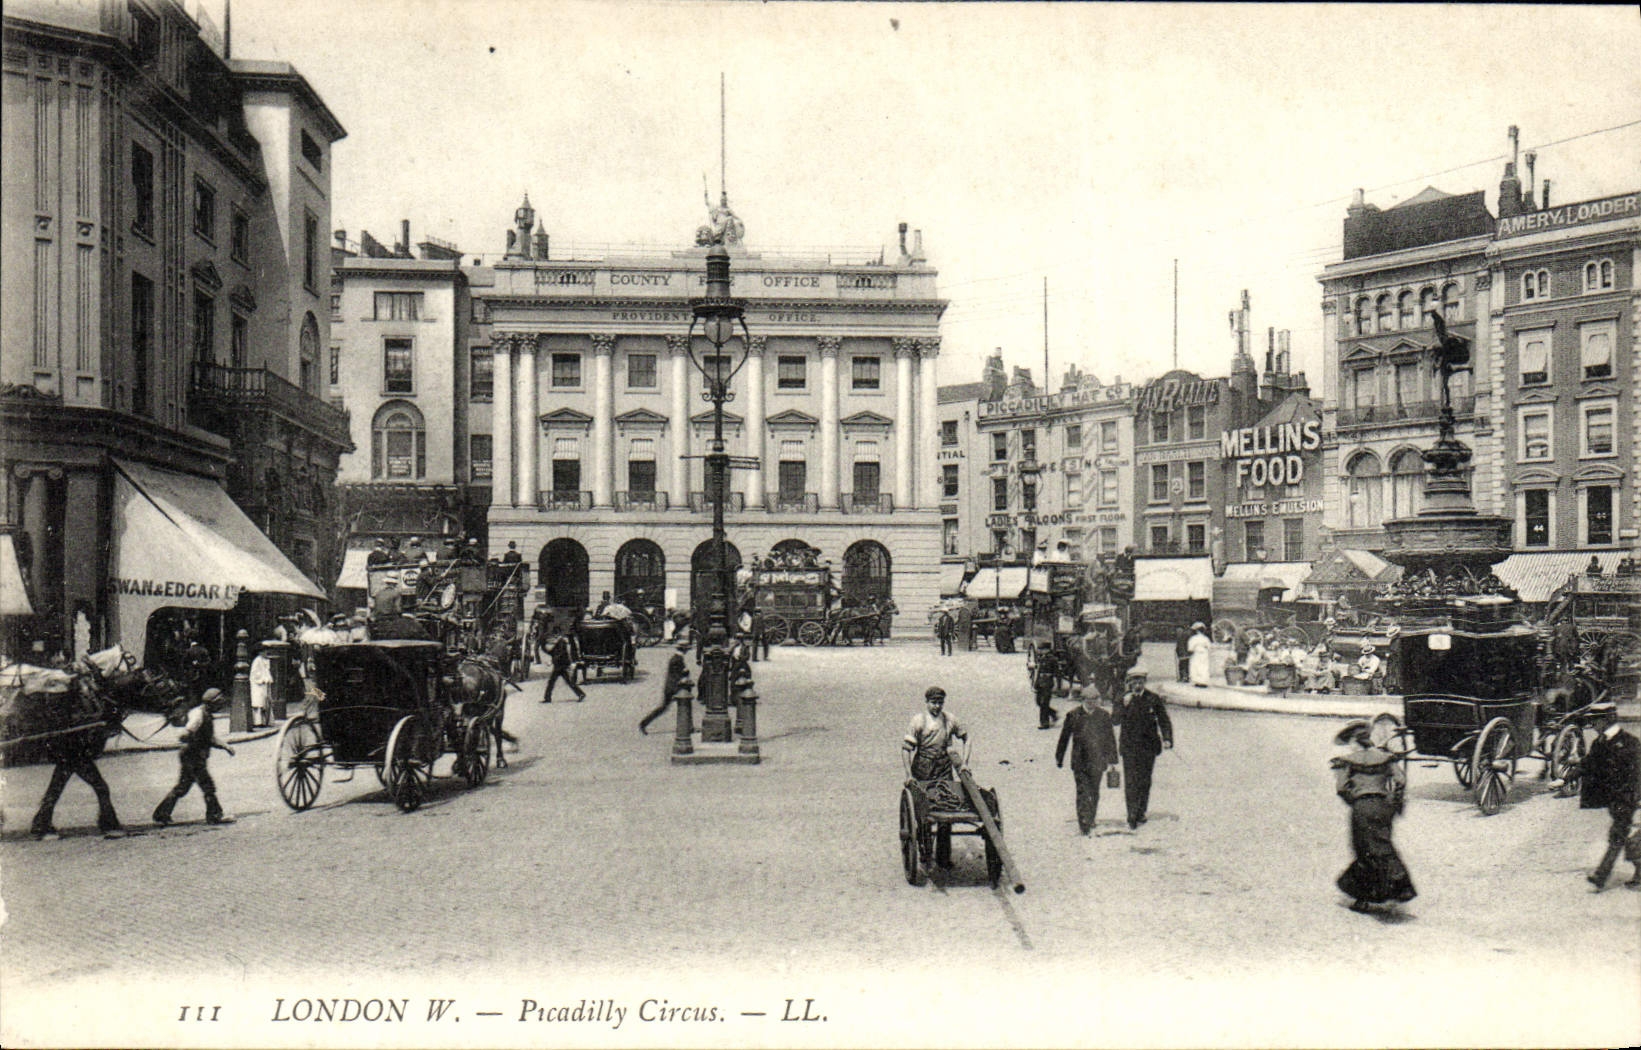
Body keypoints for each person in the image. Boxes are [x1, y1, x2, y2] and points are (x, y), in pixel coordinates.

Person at [1331, 720, 1414, 913]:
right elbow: (1400, 780)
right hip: (1384, 806)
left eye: (1350, 741)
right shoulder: (1386, 757)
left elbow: (1342, 788)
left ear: (1355, 741)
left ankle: (1366, 897)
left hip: (1362, 807)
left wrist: (1356, 800)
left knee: (1363, 849)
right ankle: (1395, 889)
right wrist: (1393, 800)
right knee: (1382, 844)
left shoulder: (1347, 761)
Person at [1576, 701, 1640, 890]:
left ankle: (1601, 875)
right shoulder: (1600, 742)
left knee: (1617, 836)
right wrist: (1566, 778)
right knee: (1625, 836)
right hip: (1613, 798)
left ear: (1609, 720)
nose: (1593, 726)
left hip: (1627, 797)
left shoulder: (1629, 742)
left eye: (1596, 721)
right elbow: (1588, 764)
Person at [153, 688, 235, 827]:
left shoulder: (205, 713)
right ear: (212, 703)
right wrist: (191, 738)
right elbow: (187, 733)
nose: (220, 706)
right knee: (208, 787)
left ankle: (161, 814)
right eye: (218, 703)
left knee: (182, 787)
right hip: (193, 756)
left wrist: (225, 746)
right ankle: (214, 816)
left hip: (192, 755)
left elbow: (209, 737)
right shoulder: (199, 714)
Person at [1113, 669, 1173, 830]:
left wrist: (1167, 739)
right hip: (1129, 747)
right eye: (1134, 682)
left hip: (1148, 747)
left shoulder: (1153, 699)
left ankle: (1141, 811)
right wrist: (1123, 706)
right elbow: (1115, 720)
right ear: (1129, 683)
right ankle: (1131, 814)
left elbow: (1164, 720)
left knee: (1145, 781)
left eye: (1140, 682)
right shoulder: (1123, 698)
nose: (1137, 685)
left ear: (1144, 683)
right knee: (1131, 781)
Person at [1055, 685, 1119, 836]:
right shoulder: (1073, 715)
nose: (1092, 703)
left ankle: (1091, 817)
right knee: (1083, 791)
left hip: (1098, 760)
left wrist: (1112, 759)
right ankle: (1084, 822)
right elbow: (1064, 738)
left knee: (1094, 791)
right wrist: (1059, 757)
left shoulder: (1103, 716)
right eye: (1089, 700)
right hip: (1080, 761)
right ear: (1083, 700)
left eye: (1095, 700)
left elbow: (1110, 738)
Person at [639, 639, 693, 734]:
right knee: (673, 706)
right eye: (686, 649)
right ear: (684, 649)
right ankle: (644, 723)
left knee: (669, 707)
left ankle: (689, 725)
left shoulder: (677, 658)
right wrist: (684, 675)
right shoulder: (677, 659)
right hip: (673, 688)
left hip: (672, 687)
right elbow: (676, 674)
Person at [541, 629, 586, 703]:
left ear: (559, 635)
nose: (555, 637)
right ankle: (581, 694)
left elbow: (559, 654)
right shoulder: (559, 643)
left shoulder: (561, 642)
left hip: (561, 665)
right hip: (560, 665)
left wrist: (551, 661)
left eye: (556, 635)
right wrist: (543, 646)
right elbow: (551, 652)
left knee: (552, 682)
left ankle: (547, 698)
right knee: (567, 682)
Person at [1032, 646, 1060, 729]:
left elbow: (1057, 673)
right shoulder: (1042, 658)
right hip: (1040, 682)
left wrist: (1056, 685)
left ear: (1048, 649)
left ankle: (1045, 723)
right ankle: (1053, 713)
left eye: (1043, 649)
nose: (1041, 651)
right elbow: (1038, 671)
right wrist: (1036, 683)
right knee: (1038, 702)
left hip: (1048, 683)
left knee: (1044, 703)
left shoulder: (1053, 659)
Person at [249, 643, 273, 729]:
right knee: (258, 703)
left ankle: (264, 721)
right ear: (260, 652)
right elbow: (254, 673)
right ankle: (257, 722)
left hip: (264, 684)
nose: (266, 652)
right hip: (258, 685)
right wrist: (262, 679)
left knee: (265, 702)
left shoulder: (265, 660)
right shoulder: (257, 660)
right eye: (264, 651)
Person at [1187, 621, 1212, 688]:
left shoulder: (1193, 639)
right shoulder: (1206, 638)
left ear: (1196, 631)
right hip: (1204, 654)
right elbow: (1209, 647)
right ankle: (1204, 681)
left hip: (1196, 653)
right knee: (1204, 667)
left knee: (1196, 667)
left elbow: (1190, 648)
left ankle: (1198, 681)